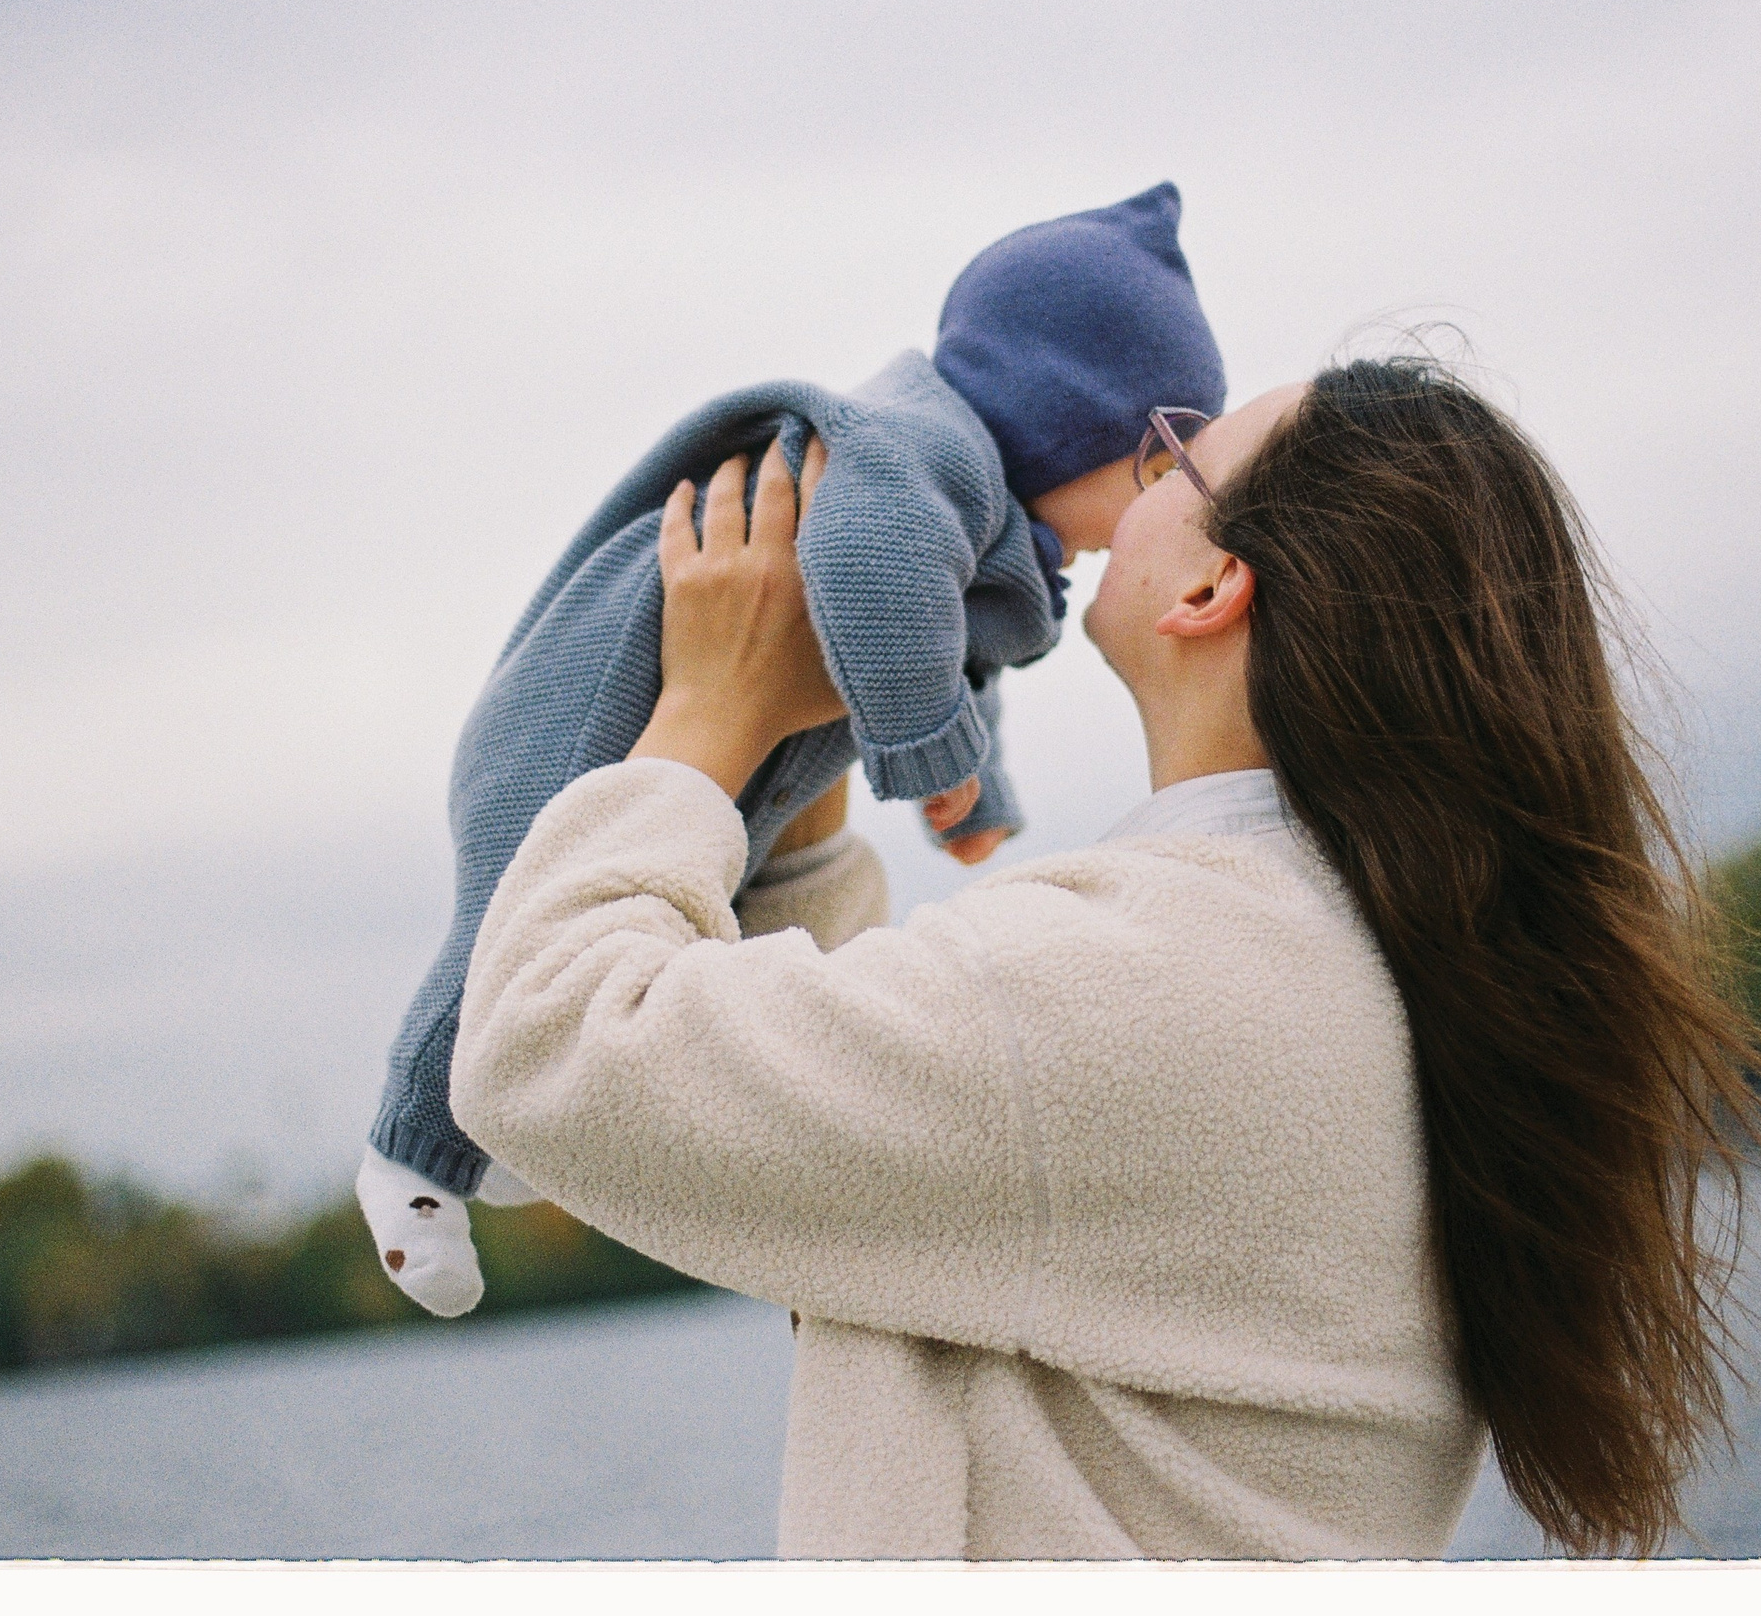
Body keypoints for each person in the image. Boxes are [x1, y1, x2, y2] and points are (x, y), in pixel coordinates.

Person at [448, 357, 1761, 1560]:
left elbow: (546, 1045)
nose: (1141, 467)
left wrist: (708, 711)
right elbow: (907, 1179)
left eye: (1179, 458)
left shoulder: (1150, 982)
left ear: (1214, 585)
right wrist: (802, 810)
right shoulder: (1341, 967)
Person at [359, 185, 1227, 1315]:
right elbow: (872, 568)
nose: (1165, 504)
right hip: (585, 709)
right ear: (1072, 419)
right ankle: (411, 1158)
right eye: (1162, 462)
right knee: (504, 926)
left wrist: (974, 790)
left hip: (721, 746)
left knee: (664, 936)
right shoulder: (922, 453)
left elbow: (958, 653)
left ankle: (521, 1116)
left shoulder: (981, 515)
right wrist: (933, 758)